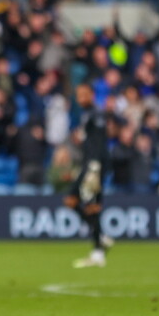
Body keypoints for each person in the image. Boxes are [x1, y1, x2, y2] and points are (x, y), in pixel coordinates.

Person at [63, 84, 113, 268]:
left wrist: (95, 167)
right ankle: (101, 238)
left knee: (91, 206)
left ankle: (98, 251)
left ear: (92, 95)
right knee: (73, 201)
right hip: (89, 164)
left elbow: (100, 143)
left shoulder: (96, 114)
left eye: (84, 94)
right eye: (78, 94)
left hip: (94, 165)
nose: (81, 97)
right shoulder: (86, 114)